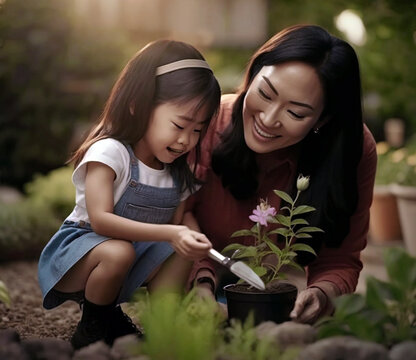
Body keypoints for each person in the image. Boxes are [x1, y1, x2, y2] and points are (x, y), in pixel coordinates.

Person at [184, 24, 377, 324]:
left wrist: (322, 294)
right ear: (253, 75)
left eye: (296, 113)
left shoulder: (352, 149)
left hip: (264, 289)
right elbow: (175, 215)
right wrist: (201, 284)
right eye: (264, 93)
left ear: (323, 119)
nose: (269, 119)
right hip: (193, 272)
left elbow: (341, 258)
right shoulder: (206, 123)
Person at [38, 39, 220, 348]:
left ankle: (165, 321)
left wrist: (192, 238)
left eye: (198, 130)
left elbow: (178, 223)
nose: (187, 140)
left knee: (177, 251)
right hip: (81, 257)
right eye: (179, 125)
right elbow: (101, 221)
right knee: (119, 250)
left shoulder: (178, 173)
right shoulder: (111, 153)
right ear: (138, 105)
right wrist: (172, 232)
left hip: (132, 261)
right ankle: (94, 325)